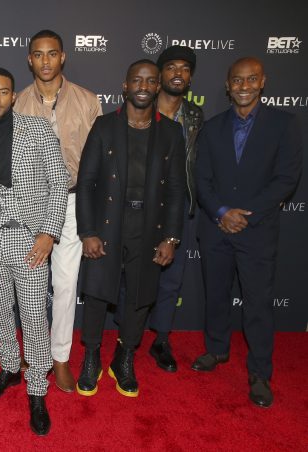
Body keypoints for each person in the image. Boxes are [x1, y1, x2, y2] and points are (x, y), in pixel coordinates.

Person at [0, 67, 69, 435]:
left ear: (12, 95)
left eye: (3, 92)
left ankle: (37, 388)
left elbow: (59, 183)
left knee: (34, 315)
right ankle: (9, 367)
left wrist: (49, 233)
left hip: (31, 243)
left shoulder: (38, 130)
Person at [193, 57, 302, 408]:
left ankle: (259, 373)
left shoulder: (284, 125)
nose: (243, 86)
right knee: (217, 295)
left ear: (263, 82)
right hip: (216, 228)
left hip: (257, 232)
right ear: (228, 85)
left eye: (251, 79)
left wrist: (246, 216)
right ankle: (216, 351)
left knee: (257, 303)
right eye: (237, 80)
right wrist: (223, 212)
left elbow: (286, 179)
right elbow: (202, 179)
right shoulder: (211, 128)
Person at [75, 60, 185, 398]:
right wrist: (88, 231)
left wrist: (170, 237)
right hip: (107, 223)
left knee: (140, 297)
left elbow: (177, 189)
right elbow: (87, 181)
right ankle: (92, 356)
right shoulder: (105, 126)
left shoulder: (169, 131)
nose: (143, 85)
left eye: (150, 81)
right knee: (95, 293)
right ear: (125, 86)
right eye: (136, 80)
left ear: (157, 87)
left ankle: (123, 358)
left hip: (149, 227)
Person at [14, 29, 101, 391]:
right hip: (29, 202)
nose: (46, 61)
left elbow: (98, 161)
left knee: (66, 284)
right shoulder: (17, 102)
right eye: (39, 54)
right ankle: (34, 352)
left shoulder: (87, 100)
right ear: (30, 59)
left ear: (63, 57)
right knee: (29, 282)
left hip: (72, 201)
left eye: (52, 54)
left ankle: (60, 357)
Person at [116, 45, 204, 373]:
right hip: (137, 209)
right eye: (170, 68)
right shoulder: (135, 111)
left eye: (184, 69)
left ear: (190, 77)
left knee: (171, 277)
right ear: (157, 77)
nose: (177, 74)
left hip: (177, 206)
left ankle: (161, 338)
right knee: (129, 276)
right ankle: (126, 339)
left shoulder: (195, 116)